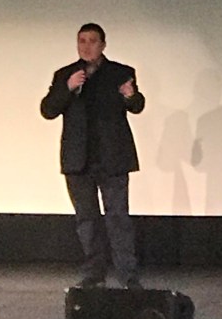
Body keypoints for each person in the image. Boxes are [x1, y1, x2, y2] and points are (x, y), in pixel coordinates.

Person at [40, 22, 145, 289]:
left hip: (112, 158)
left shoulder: (120, 73)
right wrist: (68, 88)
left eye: (92, 41)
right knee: (86, 221)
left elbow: (137, 106)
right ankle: (94, 273)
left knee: (118, 218)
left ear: (103, 45)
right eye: (82, 41)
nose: (87, 46)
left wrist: (131, 96)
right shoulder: (65, 74)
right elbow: (48, 110)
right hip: (78, 160)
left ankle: (127, 275)